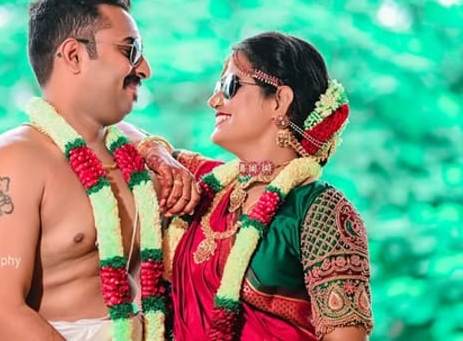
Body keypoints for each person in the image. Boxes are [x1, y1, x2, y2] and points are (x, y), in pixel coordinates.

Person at [0, 0, 199, 341]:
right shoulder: (11, 163)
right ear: (74, 55)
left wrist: (158, 150)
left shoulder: (136, 149)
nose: (145, 69)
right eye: (130, 51)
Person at [128, 32, 374, 340]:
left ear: (279, 101)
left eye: (230, 85)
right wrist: (160, 154)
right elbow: (120, 136)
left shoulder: (319, 210)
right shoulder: (206, 185)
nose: (214, 100)